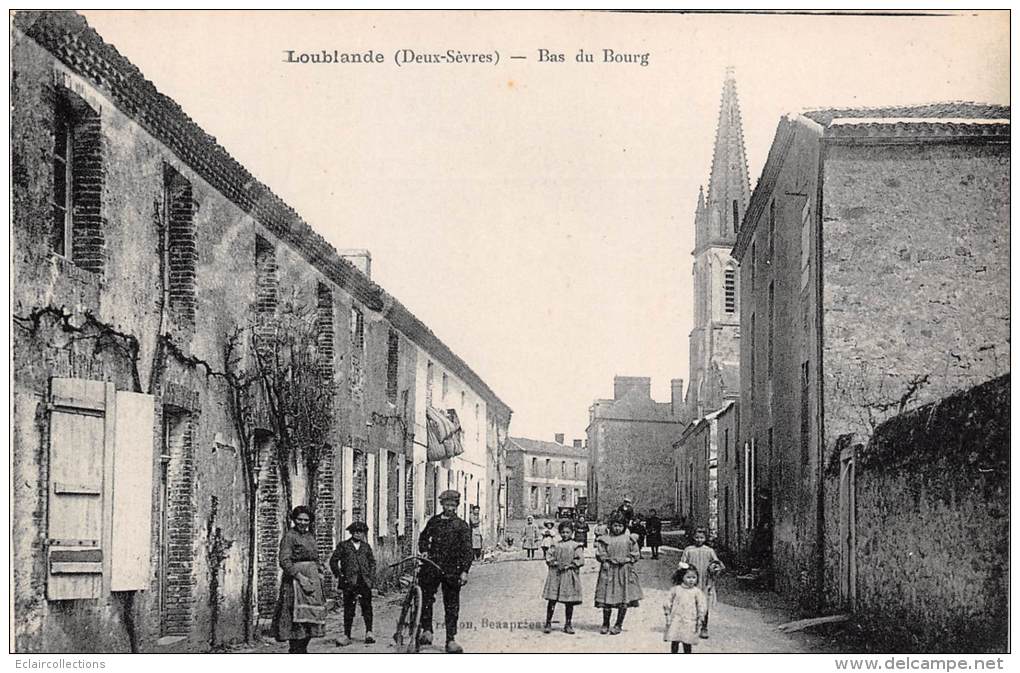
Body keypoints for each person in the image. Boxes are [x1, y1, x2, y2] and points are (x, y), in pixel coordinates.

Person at [418, 489, 474, 653]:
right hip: (432, 566)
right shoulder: (434, 522)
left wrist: (464, 571)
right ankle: (427, 630)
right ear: (441, 504)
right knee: (426, 598)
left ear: (456, 506)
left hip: (452, 569)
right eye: (446, 504)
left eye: (453, 505)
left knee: (451, 605)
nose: (449, 508)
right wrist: (424, 550)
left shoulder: (461, 525)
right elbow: (423, 538)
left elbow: (467, 550)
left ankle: (450, 639)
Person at [271, 506, 326, 653]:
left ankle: (303, 650)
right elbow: (284, 560)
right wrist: (299, 577)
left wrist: (319, 572)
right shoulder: (289, 537)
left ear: (310, 521)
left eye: (306, 520)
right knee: (296, 621)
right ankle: (296, 651)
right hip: (295, 583)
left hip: (312, 581)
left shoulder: (310, 537)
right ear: (294, 520)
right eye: (299, 519)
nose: (302, 523)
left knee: (309, 620)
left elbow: (315, 557)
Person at [329, 521, 376, 647]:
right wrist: (340, 575)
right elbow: (333, 561)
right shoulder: (343, 546)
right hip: (349, 582)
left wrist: (370, 577)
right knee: (349, 609)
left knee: (367, 607)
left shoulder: (366, 547)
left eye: (360, 532)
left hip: (364, 581)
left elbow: (372, 562)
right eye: (355, 532)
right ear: (351, 533)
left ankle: (369, 632)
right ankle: (347, 635)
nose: (358, 534)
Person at [594, 514, 643, 635]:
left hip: (624, 571)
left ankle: (618, 624)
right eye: (615, 525)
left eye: (620, 526)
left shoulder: (629, 539)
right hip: (609, 570)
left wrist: (628, 560)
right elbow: (601, 553)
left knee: (623, 597)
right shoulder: (605, 539)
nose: (617, 528)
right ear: (610, 526)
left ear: (624, 526)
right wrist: (604, 560)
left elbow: (635, 554)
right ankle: (605, 623)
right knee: (607, 597)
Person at [680, 527, 725, 639]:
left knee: (704, 606)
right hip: (691, 582)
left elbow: (717, 564)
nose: (699, 540)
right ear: (693, 537)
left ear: (705, 538)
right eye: (697, 537)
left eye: (701, 537)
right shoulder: (689, 550)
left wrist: (715, 569)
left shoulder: (709, 551)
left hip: (705, 581)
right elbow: (682, 564)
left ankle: (704, 628)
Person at [542, 520, 584, 634]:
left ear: (572, 533)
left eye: (568, 532)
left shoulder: (576, 546)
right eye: (563, 532)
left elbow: (580, 560)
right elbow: (548, 556)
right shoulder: (555, 545)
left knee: (569, 601)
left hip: (569, 575)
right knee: (552, 599)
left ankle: (568, 624)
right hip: (556, 575)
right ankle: (548, 623)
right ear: (560, 533)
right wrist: (554, 563)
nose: (565, 535)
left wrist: (570, 565)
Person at [663, 562, 706, 654]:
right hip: (676, 618)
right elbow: (668, 602)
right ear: (682, 577)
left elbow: (701, 605)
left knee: (687, 641)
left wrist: (700, 617)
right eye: (688, 577)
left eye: (694, 578)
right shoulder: (676, 589)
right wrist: (667, 614)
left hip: (690, 620)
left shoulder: (697, 592)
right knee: (675, 640)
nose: (691, 580)